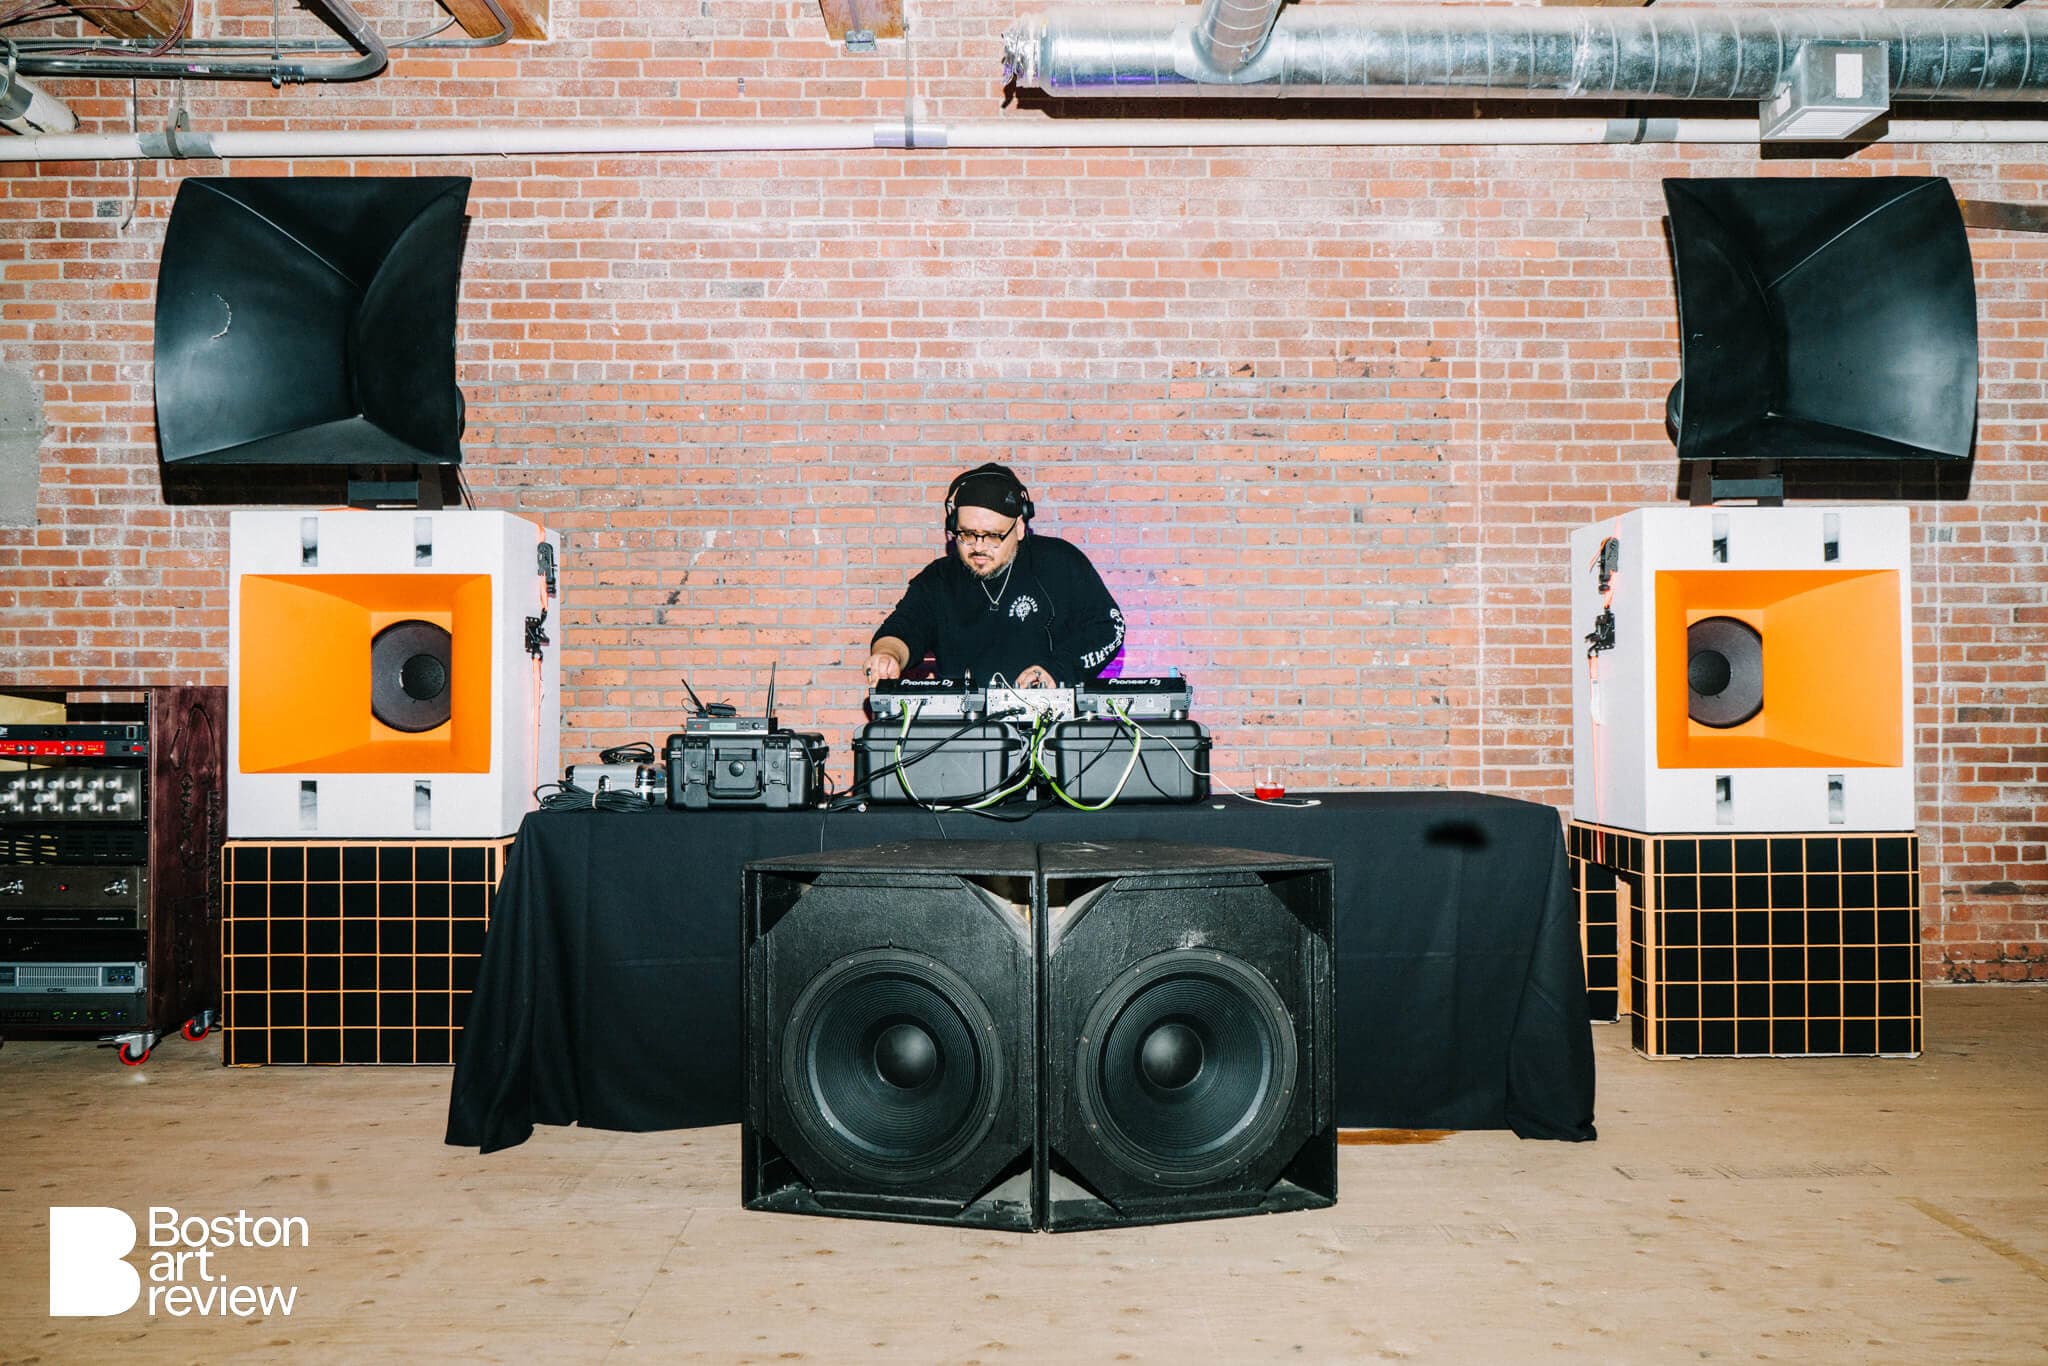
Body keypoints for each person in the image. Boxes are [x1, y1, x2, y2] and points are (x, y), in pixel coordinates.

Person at [865, 463, 1124, 690]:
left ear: (1019, 528)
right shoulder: (939, 579)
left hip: (1051, 725)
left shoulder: (1058, 563)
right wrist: (888, 655)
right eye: (967, 534)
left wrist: (1058, 670)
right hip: (964, 727)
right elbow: (903, 629)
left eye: (992, 536)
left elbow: (1109, 628)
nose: (978, 547)